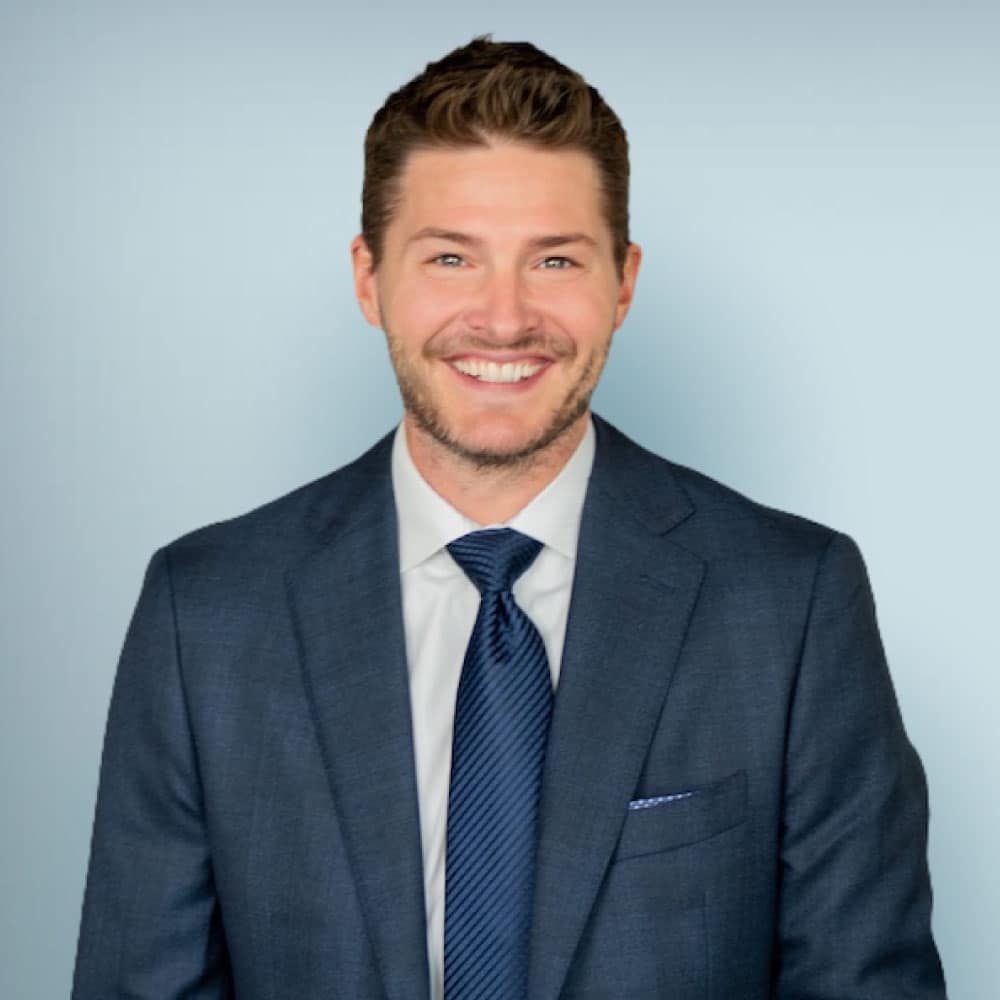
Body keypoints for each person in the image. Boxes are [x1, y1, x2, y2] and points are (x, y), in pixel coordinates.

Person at [73, 36, 947, 1000]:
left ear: (624, 281)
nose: (503, 318)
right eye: (450, 256)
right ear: (369, 280)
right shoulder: (206, 613)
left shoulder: (791, 602)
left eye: (556, 260)